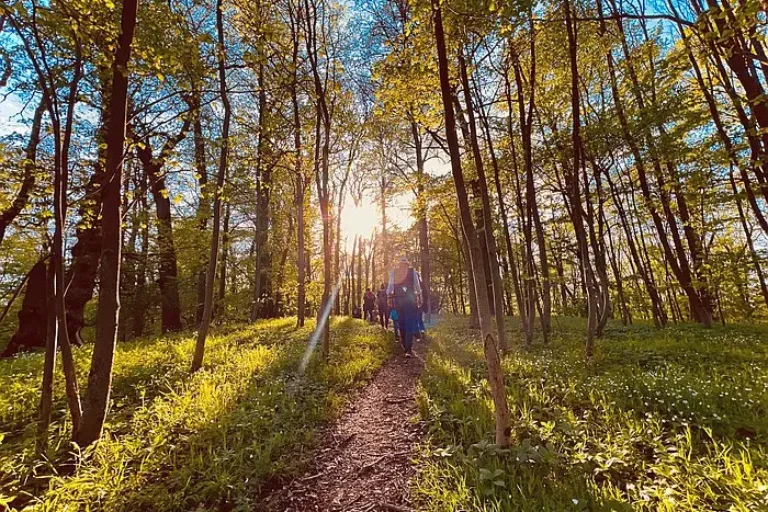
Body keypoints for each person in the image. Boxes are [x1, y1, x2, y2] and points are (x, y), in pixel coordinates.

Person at [387, 256, 421, 358]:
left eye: (404, 264)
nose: (403, 266)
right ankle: (406, 347)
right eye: (402, 264)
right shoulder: (400, 273)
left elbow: (417, 286)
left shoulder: (410, 272)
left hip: (405, 301)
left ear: (406, 265)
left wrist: (419, 296)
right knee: (402, 322)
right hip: (402, 300)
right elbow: (390, 285)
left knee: (406, 323)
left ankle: (408, 348)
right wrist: (389, 296)